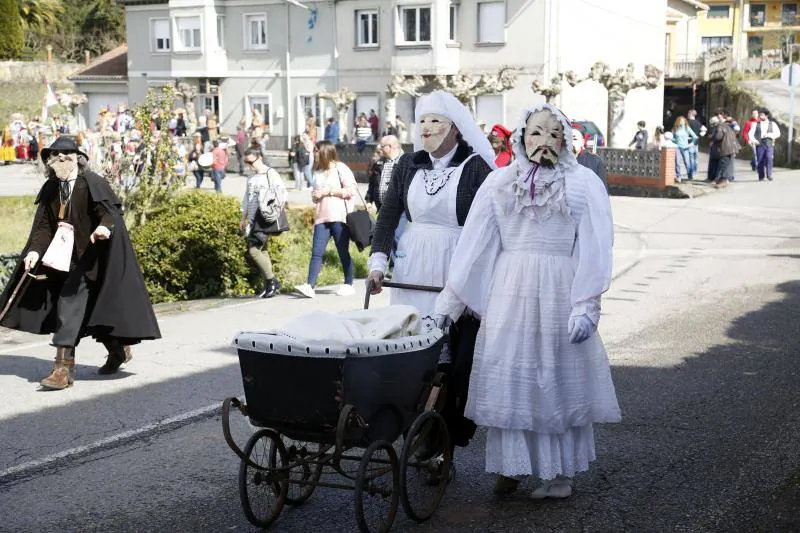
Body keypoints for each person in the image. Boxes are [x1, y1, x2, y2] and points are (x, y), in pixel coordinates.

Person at [433, 103, 620, 499]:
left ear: (566, 140)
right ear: (521, 136)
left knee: (553, 377)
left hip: (559, 289)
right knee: (512, 378)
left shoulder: (584, 183)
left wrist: (587, 304)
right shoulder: (499, 183)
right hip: (510, 292)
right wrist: (449, 303)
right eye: (536, 133)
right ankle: (511, 467)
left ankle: (560, 474)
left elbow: (595, 246)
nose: (544, 142)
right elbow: (476, 244)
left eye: (554, 134)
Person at [366, 90, 497, 468]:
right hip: (413, 268)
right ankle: (413, 429)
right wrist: (378, 263)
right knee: (410, 352)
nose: (427, 129)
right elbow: (389, 213)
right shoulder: (409, 164)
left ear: (456, 128)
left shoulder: (475, 168)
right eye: (422, 122)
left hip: (458, 263)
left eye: (436, 122)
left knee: (451, 362)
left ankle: (442, 438)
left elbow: (488, 226)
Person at [0, 137, 160, 390]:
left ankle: (63, 370)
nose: (60, 161)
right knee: (81, 309)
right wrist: (34, 251)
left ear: (77, 159)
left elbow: (109, 213)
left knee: (76, 307)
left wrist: (104, 229)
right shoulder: (52, 187)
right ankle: (115, 352)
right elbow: (44, 227)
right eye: (55, 156)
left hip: (92, 260)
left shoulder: (91, 182)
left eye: (66, 156)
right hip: (62, 260)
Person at [295, 141, 358, 298]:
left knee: (342, 250)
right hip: (321, 217)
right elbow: (317, 194)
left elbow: (351, 190)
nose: (314, 153)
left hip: (339, 216)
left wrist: (329, 191)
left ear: (324, 151)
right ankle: (310, 285)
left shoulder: (340, 168)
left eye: (316, 150)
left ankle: (349, 283)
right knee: (316, 252)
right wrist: (315, 196)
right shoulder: (317, 172)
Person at [240, 147, 287, 299]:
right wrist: (243, 217)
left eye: (250, 162)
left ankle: (272, 281)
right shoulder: (251, 177)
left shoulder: (270, 173)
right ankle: (269, 284)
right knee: (262, 250)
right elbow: (247, 198)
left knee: (254, 250)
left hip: (265, 218)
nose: (248, 165)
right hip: (254, 219)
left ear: (259, 158)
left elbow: (282, 193)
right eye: (246, 162)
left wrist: (272, 207)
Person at [709, 114, 739, 188]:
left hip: (725, 148)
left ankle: (723, 180)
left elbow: (718, 137)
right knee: (725, 164)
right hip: (731, 147)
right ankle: (721, 180)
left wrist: (712, 137)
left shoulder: (720, 126)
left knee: (723, 164)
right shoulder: (728, 125)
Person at [753, 109, 780, 182]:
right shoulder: (756, 124)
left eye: (762, 115)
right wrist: (754, 140)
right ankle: (761, 176)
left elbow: (778, 133)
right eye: (760, 115)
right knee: (760, 160)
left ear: (766, 116)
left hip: (769, 143)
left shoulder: (773, 124)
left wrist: (769, 135)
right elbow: (751, 134)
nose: (760, 116)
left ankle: (769, 175)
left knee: (769, 158)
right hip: (760, 143)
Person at [672, 116, 698, 182]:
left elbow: (695, 137)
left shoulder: (687, 128)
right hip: (677, 147)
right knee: (677, 162)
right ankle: (678, 176)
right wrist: (675, 140)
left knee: (687, 162)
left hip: (685, 147)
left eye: (683, 121)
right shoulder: (675, 128)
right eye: (681, 121)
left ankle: (690, 176)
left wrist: (691, 144)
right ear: (678, 122)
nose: (682, 122)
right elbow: (672, 138)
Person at [365, 144, 385, 209]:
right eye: (375, 152)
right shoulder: (375, 166)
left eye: (378, 152)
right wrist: (368, 200)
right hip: (379, 205)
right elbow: (372, 185)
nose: (375, 154)